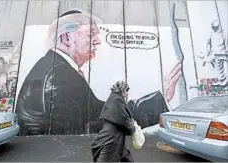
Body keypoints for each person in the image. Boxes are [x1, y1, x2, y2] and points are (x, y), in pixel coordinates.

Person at [16, 9, 182, 135]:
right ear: (67, 38)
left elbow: (96, 115)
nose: (98, 40)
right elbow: (101, 121)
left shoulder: (53, 67)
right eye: (91, 34)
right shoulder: (60, 75)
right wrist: (161, 99)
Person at [91, 81, 135, 162]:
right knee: (108, 157)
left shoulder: (112, 99)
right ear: (121, 90)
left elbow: (120, 117)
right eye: (126, 90)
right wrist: (132, 128)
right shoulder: (118, 100)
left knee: (126, 158)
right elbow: (124, 120)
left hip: (113, 136)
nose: (127, 93)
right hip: (113, 138)